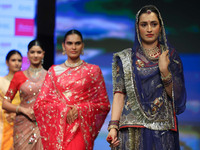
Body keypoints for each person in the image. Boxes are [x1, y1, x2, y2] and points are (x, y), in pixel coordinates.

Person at [106, 5, 186, 150]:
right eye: (144, 24)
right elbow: (119, 94)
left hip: (162, 131)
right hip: (131, 129)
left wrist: (164, 71)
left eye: (153, 24)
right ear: (138, 28)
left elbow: (177, 97)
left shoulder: (170, 56)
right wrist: (113, 127)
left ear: (160, 27)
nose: (149, 29)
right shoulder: (125, 58)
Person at [33, 29, 110, 150]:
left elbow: (103, 105)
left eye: (77, 43)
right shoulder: (53, 72)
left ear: (82, 46)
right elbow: (40, 105)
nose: (73, 47)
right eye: (69, 43)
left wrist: (80, 109)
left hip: (80, 128)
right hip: (58, 129)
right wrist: (64, 110)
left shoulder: (92, 71)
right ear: (63, 46)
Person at [2, 40, 46, 150]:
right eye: (32, 52)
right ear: (27, 54)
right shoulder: (19, 76)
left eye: (38, 52)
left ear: (43, 54)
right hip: (22, 125)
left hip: (43, 125)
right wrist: (22, 109)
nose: (35, 55)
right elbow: (5, 103)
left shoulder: (50, 75)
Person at [0, 50, 22, 150]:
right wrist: (9, 114)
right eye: (13, 60)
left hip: (22, 123)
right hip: (4, 122)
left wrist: (17, 114)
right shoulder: (1, 81)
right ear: (7, 62)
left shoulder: (26, 83)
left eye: (19, 60)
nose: (17, 63)